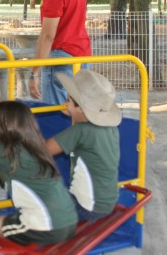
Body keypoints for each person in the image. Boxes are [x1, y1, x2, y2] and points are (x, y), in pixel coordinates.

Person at [0, 101, 77, 246]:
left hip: (45, 225)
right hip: (68, 221)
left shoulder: (3, 151)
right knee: (8, 225)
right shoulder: (36, 146)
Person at [46, 70, 121, 222]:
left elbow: (43, 150)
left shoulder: (79, 131)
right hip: (108, 203)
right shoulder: (111, 129)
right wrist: (74, 113)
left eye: (68, 100)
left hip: (86, 207)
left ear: (80, 108)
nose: (64, 104)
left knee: (41, 199)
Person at [29, 0, 91, 105]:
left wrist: (34, 72)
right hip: (82, 56)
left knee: (54, 115)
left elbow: (48, 35)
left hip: (61, 58)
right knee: (77, 113)